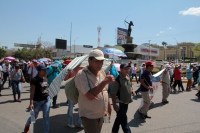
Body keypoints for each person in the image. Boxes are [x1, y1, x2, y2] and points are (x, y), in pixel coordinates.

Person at [74, 49, 115, 133]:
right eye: (97, 61)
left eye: (101, 61)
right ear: (89, 61)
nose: (100, 64)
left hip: (101, 114)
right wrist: (104, 82)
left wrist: (108, 110)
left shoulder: (102, 73)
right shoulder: (81, 74)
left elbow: (105, 92)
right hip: (89, 116)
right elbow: (90, 96)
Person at [24, 64, 50, 133]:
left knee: (46, 116)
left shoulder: (45, 77)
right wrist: (31, 103)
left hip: (46, 100)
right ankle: (27, 126)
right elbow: (32, 92)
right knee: (34, 117)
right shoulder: (34, 80)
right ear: (38, 71)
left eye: (45, 70)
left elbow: (45, 88)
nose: (45, 71)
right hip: (37, 101)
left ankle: (46, 131)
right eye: (43, 70)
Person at [111, 63, 135, 133]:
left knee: (119, 119)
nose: (127, 70)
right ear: (121, 69)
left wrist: (132, 90)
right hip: (120, 104)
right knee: (124, 122)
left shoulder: (128, 77)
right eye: (125, 68)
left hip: (126, 103)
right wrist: (114, 105)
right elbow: (113, 93)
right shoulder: (118, 80)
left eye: (128, 68)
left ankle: (114, 131)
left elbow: (130, 86)